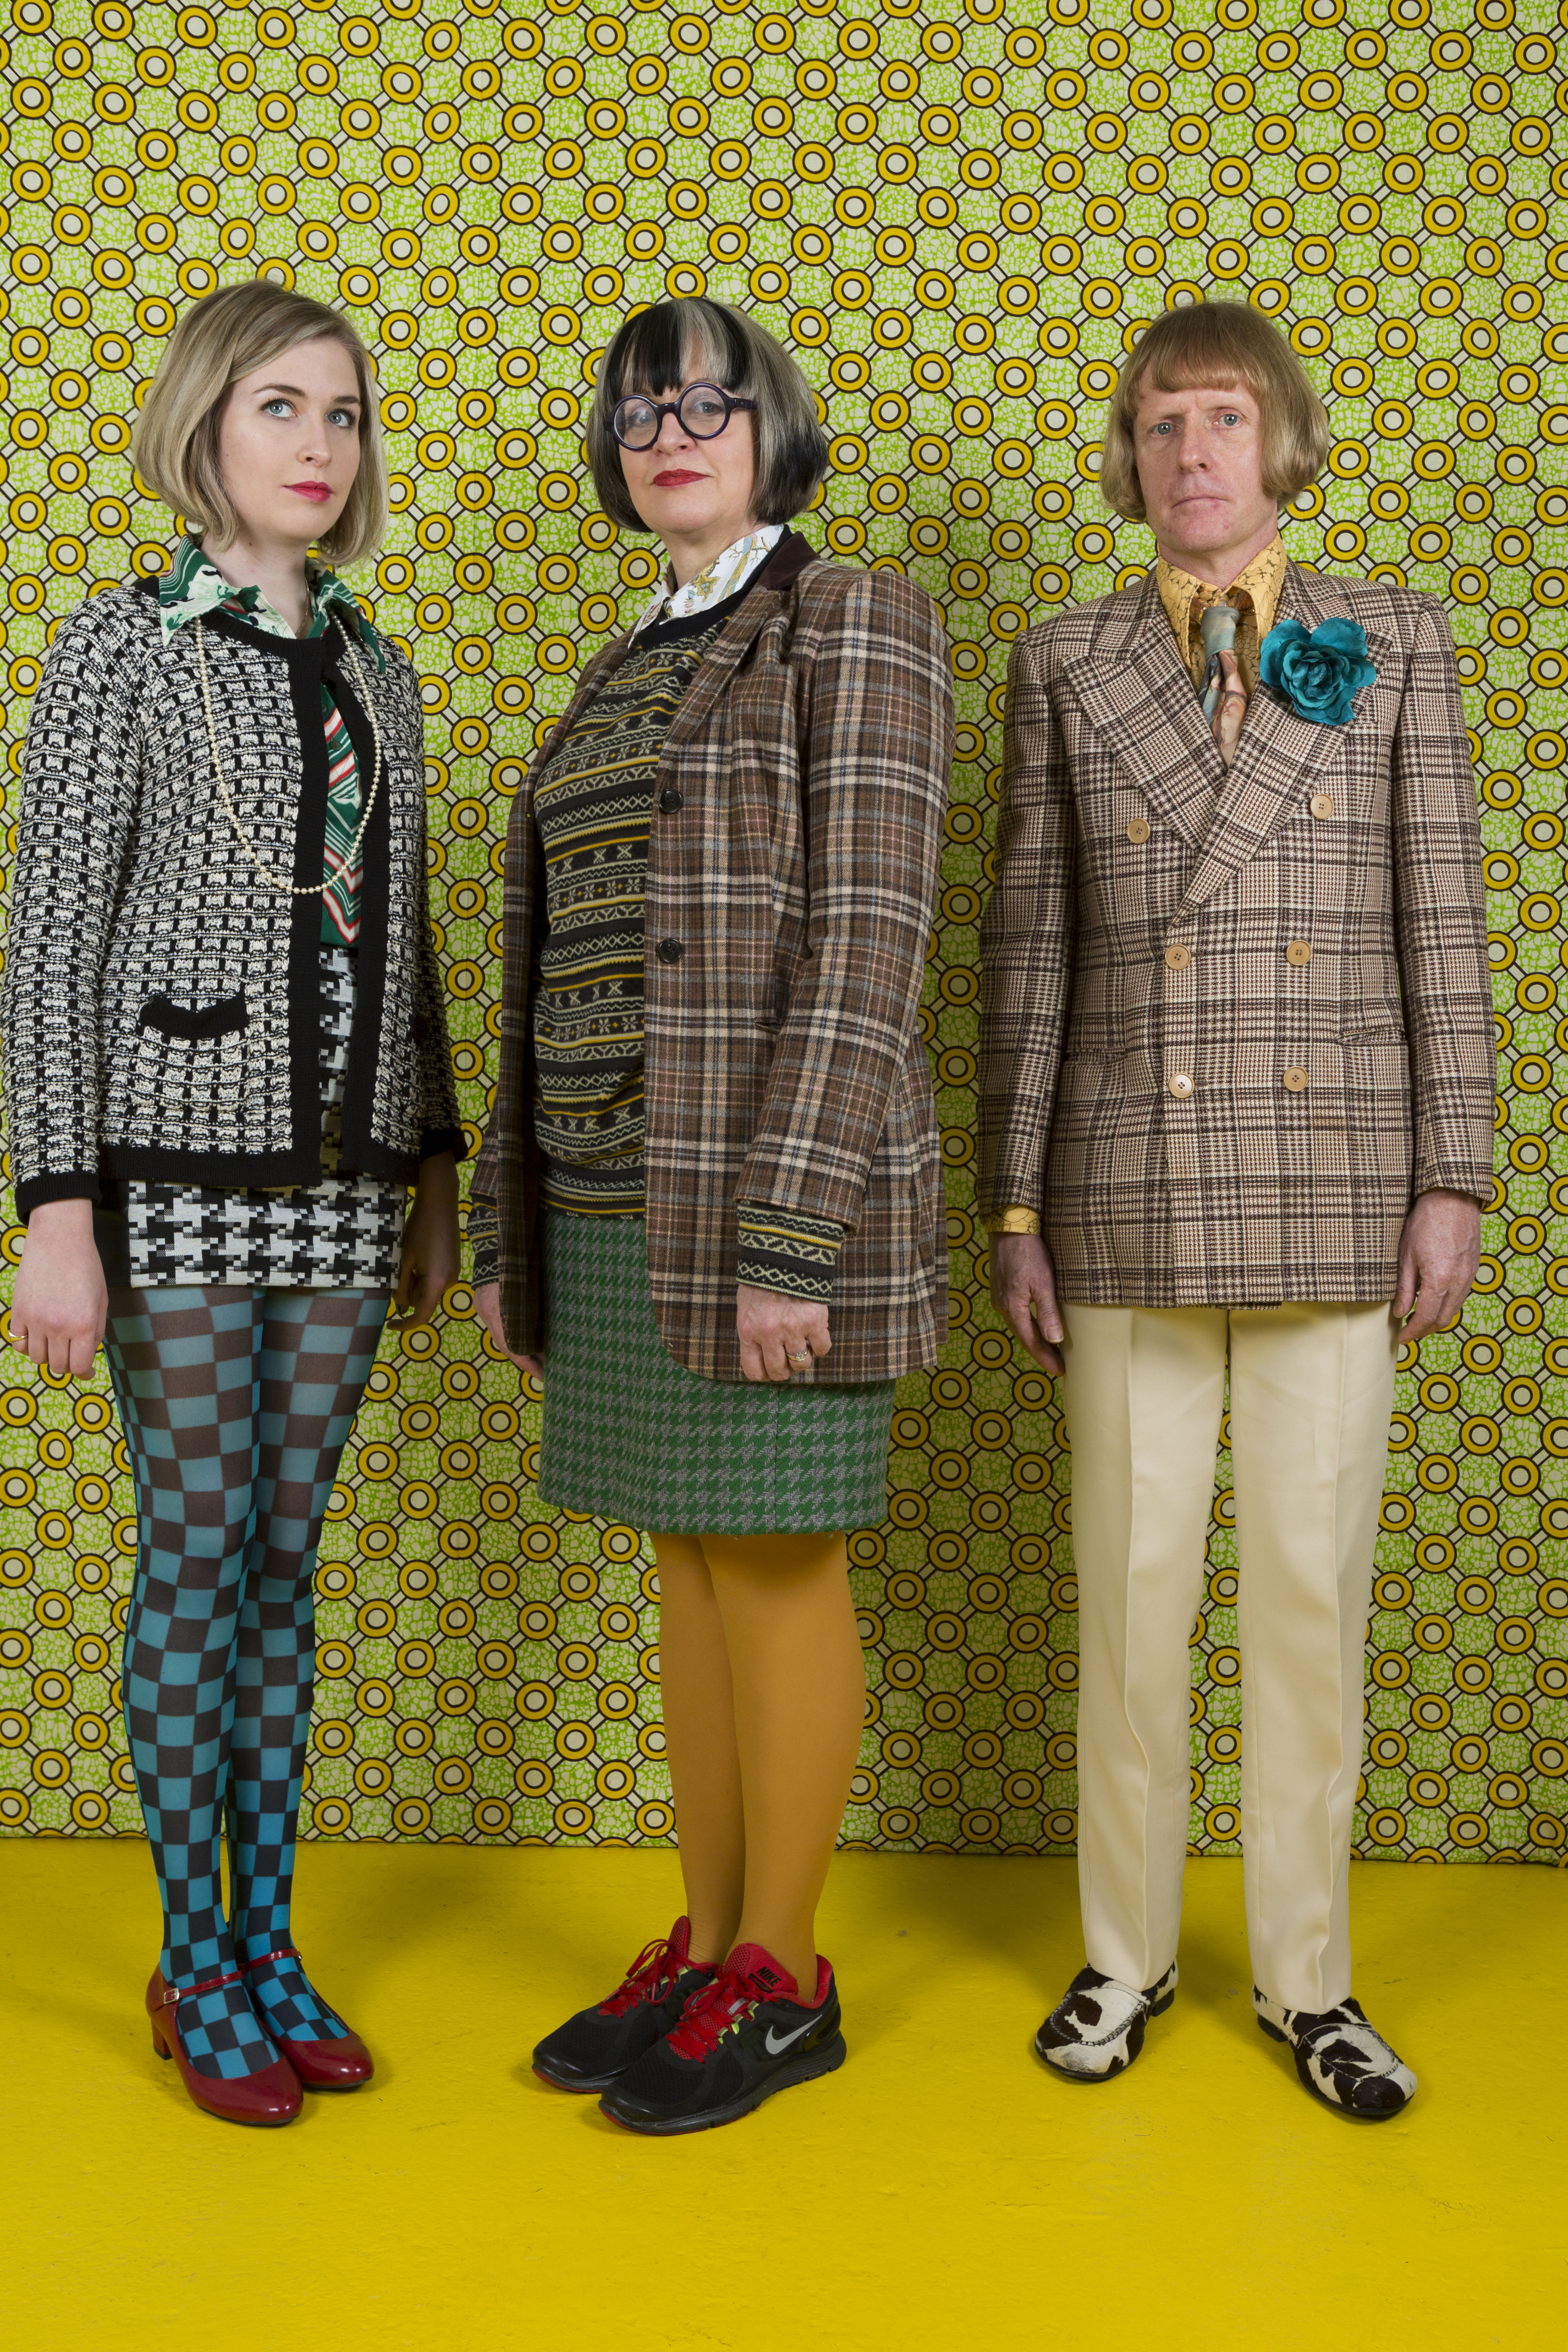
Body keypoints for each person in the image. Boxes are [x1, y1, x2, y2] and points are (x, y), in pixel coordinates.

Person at [978, 302, 1493, 2118]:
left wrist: (1454, 1176)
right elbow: (1026, 946)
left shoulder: (1394, 644)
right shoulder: (1066, 659)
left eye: (1223, 420)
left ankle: (1309, 1982)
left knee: (1306, 1600)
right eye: (1158, 425)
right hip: (1120, 1190)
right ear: (1126, 461)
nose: (1190, 454)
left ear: (1280, 447)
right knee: (1126, 1604)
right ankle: (1122, 1959)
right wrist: (1016, 1204)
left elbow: (1446, 922)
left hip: (1338, 1187)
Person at [470, 296, 952, 2136]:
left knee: (772, 1556)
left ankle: (788, 1969)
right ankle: (709, 1934)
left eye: (708, 402)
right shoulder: (622, 661)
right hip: (607, 1196)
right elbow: (556, 952)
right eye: (639, 409)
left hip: (763, 1199)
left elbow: (871, 932)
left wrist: (792, 1232)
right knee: (681, 1560)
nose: (670, 430)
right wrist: (514, 1231)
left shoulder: (856, 618)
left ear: (772, 430)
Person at [0, 283, 463, 2127]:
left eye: (343, 413)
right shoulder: (120, 647)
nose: (318, 443)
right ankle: (193, 1955)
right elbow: (50, 942)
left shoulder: (381, 667)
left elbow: (410, 937)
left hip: (350, 1192)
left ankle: (270, 1943)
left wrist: (431, 1169)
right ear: (206, 425)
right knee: (193, 1553)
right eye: (282, 406)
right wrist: (53, 1204)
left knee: (287, 1557)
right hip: (167, 1177)